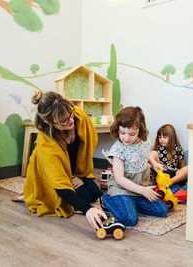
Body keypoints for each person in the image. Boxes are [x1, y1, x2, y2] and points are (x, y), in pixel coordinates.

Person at [13, 91, 107, 230]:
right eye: (64, 120)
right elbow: (59, 183)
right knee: (85, 198)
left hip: (74, 171)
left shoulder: (77, 115)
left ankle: (76, 179)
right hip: (52, 175)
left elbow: (89, 142)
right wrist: (88, 210)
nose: (70, 120)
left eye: (70, 113)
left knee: (95, 192)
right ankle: (29, 194)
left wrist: (79, 176)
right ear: (49, 122)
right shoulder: (46, 142)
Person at [101, 106, 168, 226]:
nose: (126, 138)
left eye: (132, 134)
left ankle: (131, 203)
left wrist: (154, 163)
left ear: (140, 131)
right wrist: (143, 191)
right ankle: (107, 200)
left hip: (138, 188)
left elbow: (145, 154)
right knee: (130, 220)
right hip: (122, 188)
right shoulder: (118, 150)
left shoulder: (145, 141)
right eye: (122, 133)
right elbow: (119, 179)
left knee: (162, 210)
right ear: (118, 128)